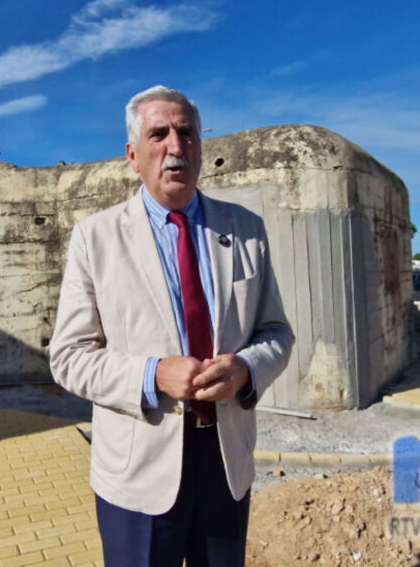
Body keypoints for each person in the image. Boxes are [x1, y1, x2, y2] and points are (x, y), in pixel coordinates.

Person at [49, 85, 294, 567]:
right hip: (137, 471)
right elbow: (68, 357)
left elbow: (277, 333)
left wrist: (246, 368)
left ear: (201, 146)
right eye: (158, 133)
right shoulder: (94, 238)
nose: (175, 146)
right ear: (132, 154)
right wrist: (152, 375)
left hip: (225, 462)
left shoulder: (245, 230)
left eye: (186, 133)